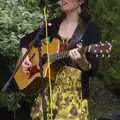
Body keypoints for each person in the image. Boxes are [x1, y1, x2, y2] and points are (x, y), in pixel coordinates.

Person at [20, 0, 101, 119]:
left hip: (74, 96)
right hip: (48, 91)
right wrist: (25, 57)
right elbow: (25, 40)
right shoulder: (53, 24)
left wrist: (82, 62)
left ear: (81, 1)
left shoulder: (92, 29)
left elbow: (92, 70)